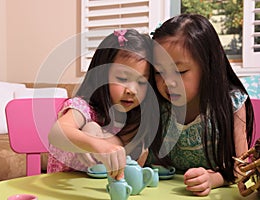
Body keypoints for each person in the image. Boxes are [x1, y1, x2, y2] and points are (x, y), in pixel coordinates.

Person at [149, 13, 254, 196]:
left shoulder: (232, 105)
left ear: (208, 67)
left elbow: (241, 169)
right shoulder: (158, 106)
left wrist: (214, 179)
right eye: (159, 72)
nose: (168, 82)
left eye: (180, 71)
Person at [48, 29, 159, 180]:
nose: (132, 90)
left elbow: (123, 154)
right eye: (122, 78)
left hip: (102, 190)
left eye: (141, 82)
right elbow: (57, 133)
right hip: (64, 188)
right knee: (91, 128)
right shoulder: (84, 107)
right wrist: (93, 143)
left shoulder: (136, 117)